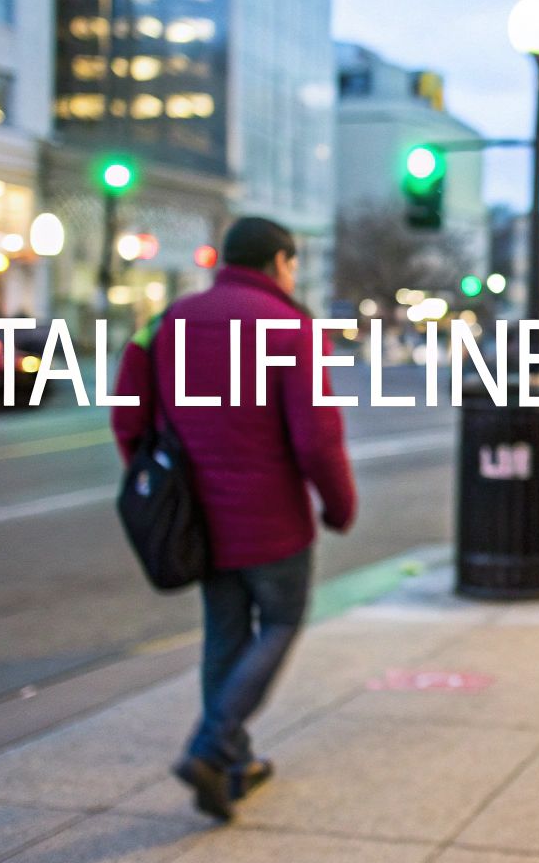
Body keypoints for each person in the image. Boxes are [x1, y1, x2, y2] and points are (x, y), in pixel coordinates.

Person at [112, 216, 356, 822]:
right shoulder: (291, 327)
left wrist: (166, 483)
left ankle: (231, 765)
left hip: (202, 520)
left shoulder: (166, 322)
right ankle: (212, 744)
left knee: (225, 633)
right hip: (272, 522)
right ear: (278, 261)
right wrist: (339, 502)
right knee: (279, 620)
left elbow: (128, 416)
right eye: (293, 263)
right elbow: (317, 438)